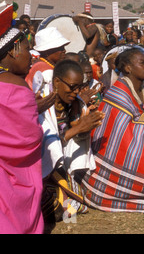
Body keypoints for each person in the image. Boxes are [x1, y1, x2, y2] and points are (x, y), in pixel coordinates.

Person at [81, 48, 144, 213]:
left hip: (124, 145)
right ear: (127, 68)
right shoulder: (118, 92)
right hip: (108, 154)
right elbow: (120, 132)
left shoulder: (143, 89)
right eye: (142, 63)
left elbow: (138, 121)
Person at [40, 60, 104, 231]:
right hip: (42, 172)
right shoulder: (42, 105)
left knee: (75, 203)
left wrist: (83, 128)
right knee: (59, 207)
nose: (76, 92)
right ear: (56, 82)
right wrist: (77, 130)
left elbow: (73, 140)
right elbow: (45, 148)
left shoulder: (73, 106)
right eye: (72, 87)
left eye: (79, 87)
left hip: (60, 170)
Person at [0, 8, 44, 234]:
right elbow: (29, 138)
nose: (32, 55)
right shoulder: (16, 86)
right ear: (13, 51)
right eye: (27, 49)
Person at [25, 27, 70, 115]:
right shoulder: (47, 72)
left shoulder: (39, 65)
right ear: (47, 51)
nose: (64, 51)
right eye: (60, 48)